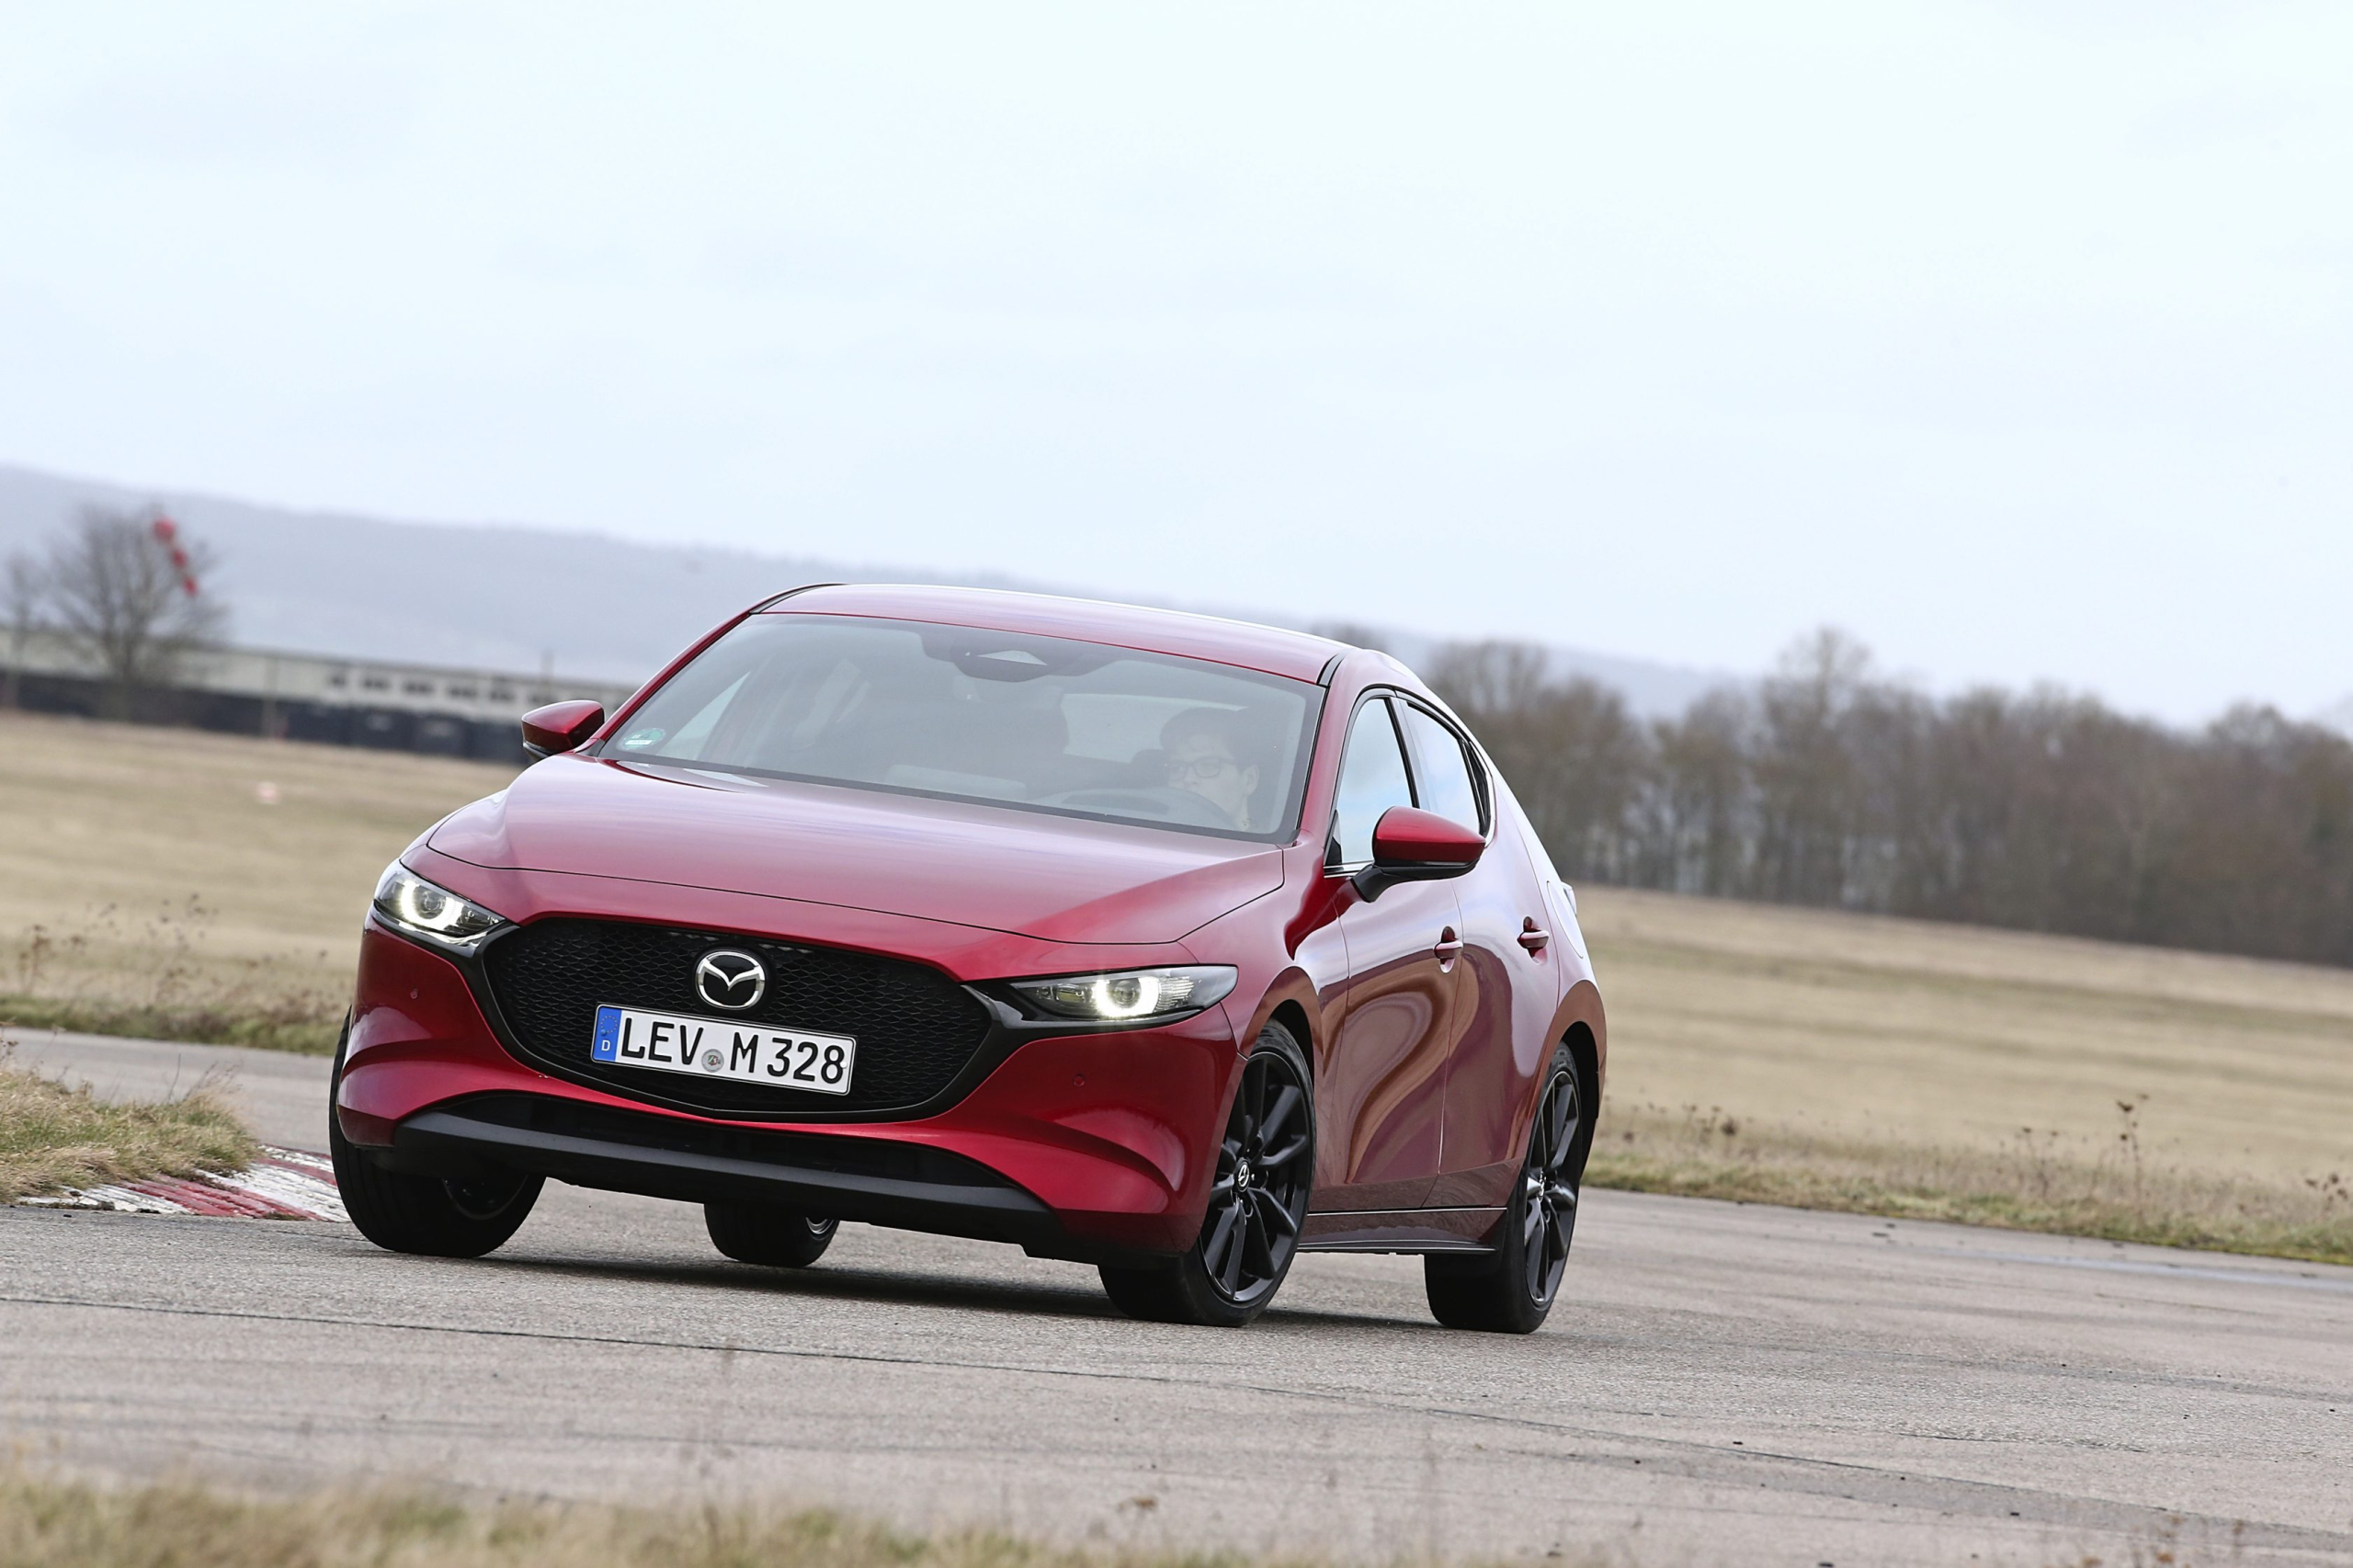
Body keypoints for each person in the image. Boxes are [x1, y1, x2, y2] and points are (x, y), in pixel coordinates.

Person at [1159, 707, 1265, 830]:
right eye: (1177, 768)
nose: (1188, 779)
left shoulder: (1270, 847)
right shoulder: (1148, 839)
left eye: (1208, 765)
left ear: (1249, 780)